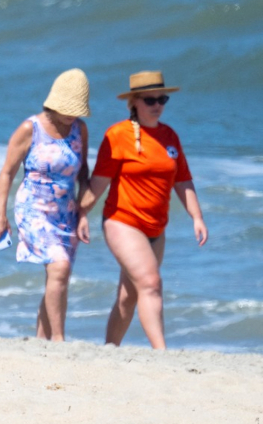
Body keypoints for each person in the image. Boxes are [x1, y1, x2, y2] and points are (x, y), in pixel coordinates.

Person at [77, 71, 208, 349]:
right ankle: (162, 353)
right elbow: (99, 182)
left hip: (156, 228)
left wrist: (196, 217)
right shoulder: (118, 135)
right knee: (150, 282)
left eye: (162, 99)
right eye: (150, 100)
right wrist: (81, 213)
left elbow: (183, 180)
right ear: (135, 102)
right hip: (123, 222)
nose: (157, 105)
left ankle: (109, 349)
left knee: (129, 295)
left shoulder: (169, 135)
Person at [0, 68, 91, 341]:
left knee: (58, 279)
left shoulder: (80, 129)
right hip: (33, 209)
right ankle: (59, 342)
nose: (72, 114)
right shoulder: (30, 129)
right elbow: (7, 173)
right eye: (67, 108)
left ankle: (40, 343)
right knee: (59, 268)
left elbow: (83, 173)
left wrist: (83, 213)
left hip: (65, 213)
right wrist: (0, 216)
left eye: (77, 109)